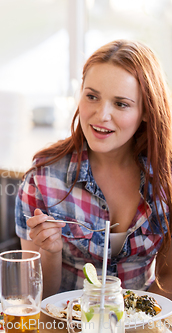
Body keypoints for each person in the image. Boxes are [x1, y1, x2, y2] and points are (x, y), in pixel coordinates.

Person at [16, 39, 172, 298]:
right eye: (92, 97)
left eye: (121, 104)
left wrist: (137, 323)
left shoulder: (165, 179)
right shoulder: (42, 180)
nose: (102, 115)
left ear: (146, 110)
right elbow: (32, 298)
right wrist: (50, 252)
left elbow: (168, 278)